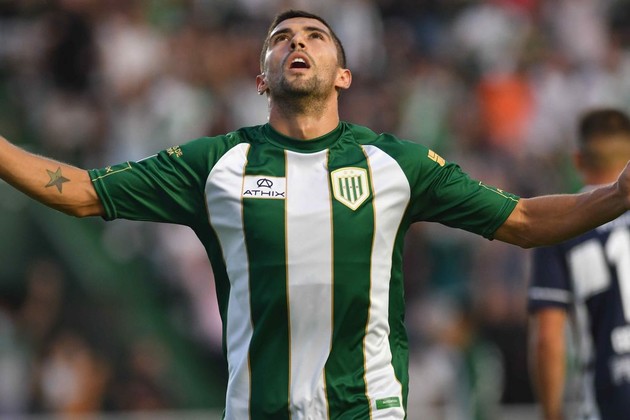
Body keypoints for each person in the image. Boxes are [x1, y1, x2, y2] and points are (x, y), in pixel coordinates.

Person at [1, 9, 630, 419]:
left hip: (367, 409)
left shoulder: (396, 164)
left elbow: (522, 221)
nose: (297, 41)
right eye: (281, 38)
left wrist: (616, 195)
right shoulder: (215, 164)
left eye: (314, 36)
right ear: (261, 79)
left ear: (344, 75)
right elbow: (79, 191)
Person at [528, 108, 630, 420]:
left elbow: (548, 339)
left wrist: (552, 413)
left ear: (578, 160)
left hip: (608, 398)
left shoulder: (560, 226)